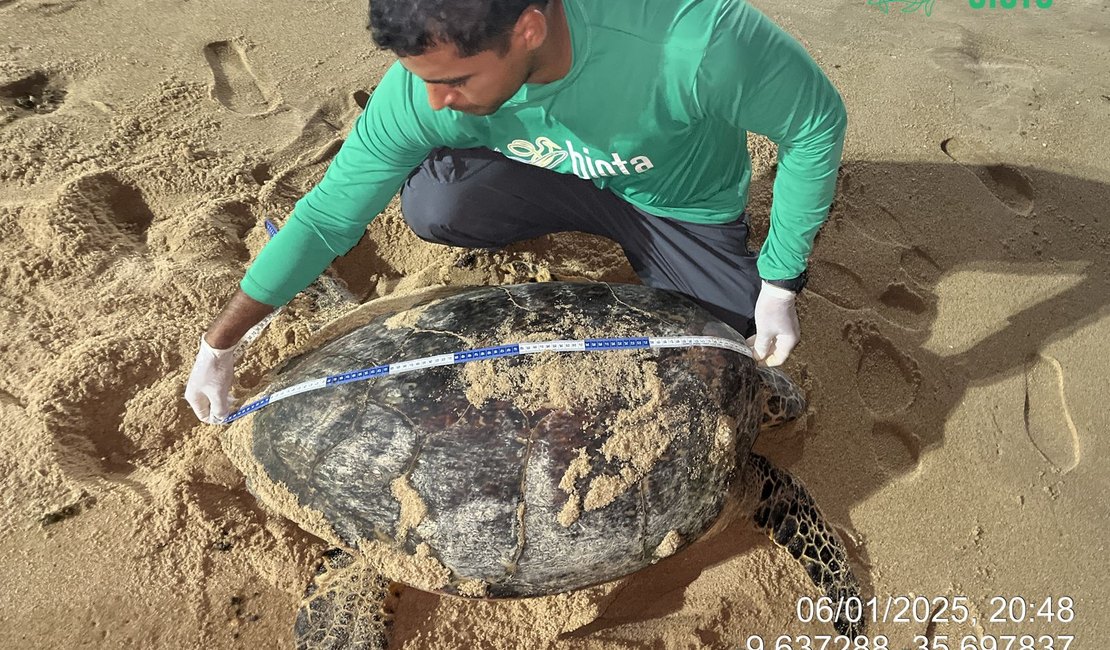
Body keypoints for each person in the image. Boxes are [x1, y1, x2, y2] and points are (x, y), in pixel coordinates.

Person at [185, 0, 847, 424]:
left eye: (457, 79)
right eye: (422, 77)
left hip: (677, 200)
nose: (435, 101)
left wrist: (782, 280)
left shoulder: (695, 43)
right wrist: (223, 342)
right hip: (542, 171)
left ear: (528, 27)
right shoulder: (422, 91)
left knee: (727, 347)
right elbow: (329, 216)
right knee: (435, 204)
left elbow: (816, 124)